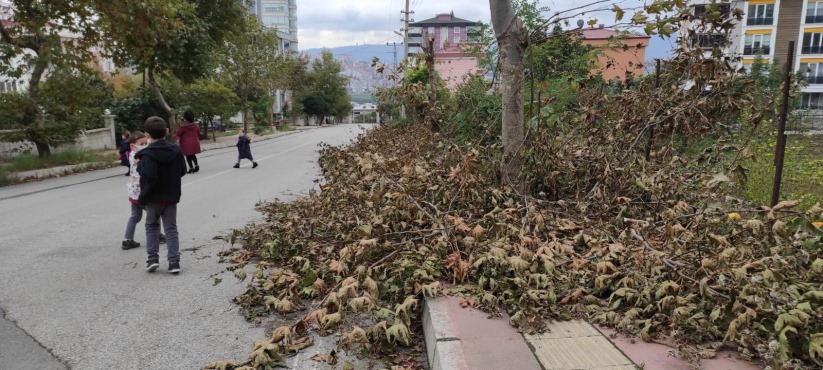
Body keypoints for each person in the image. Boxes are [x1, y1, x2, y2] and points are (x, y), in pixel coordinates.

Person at [136, 116, 187, 274]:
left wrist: (139, 167)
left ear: (147, 135)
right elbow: (183, 171)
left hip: (153, 198)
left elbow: (149, 175)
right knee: (171, 228)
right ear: (166, 131)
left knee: (151, 226)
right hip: (170, 196)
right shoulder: (176, 150)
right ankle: (174, 262)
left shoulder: (147, 154)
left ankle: (152, 260)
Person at [121, 131, 165, 250]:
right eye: (142, 143)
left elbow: (150, 143)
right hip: (142, 192)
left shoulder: (133, 153)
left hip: (134, 192)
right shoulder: (137, 156)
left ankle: (127, 239)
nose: (145, 145)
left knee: (135, 216)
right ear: (132, 146)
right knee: (155, 214)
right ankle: (158, 235)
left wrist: (149, 138)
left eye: (146, 142)